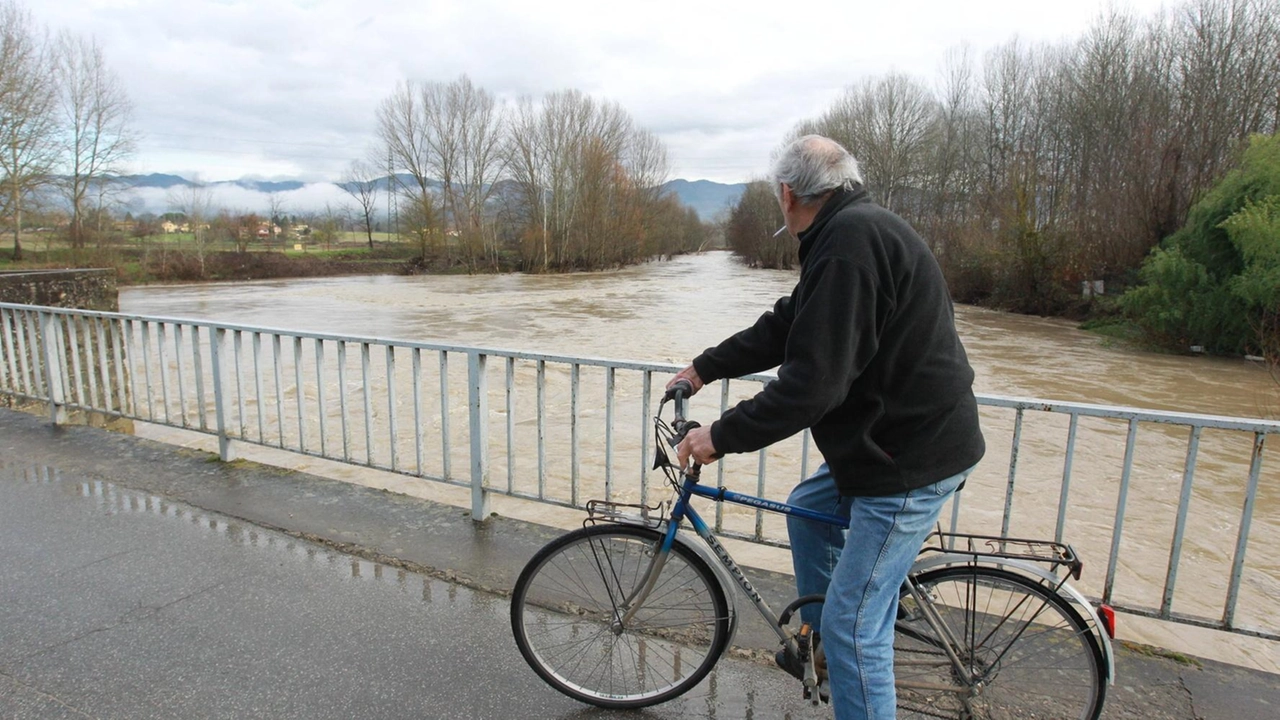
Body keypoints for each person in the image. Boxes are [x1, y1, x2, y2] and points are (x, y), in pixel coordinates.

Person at [670, 134, 985, 720]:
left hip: (907, 459)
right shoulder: (847, 233)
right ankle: (822, 651)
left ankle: (843, 645)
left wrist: (719, 436)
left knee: (853, 624)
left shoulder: (848, 244)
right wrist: (707, 367)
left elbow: (812, 387)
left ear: (787, 194)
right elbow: (789, 323)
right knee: (807, 512)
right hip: (884, 443)